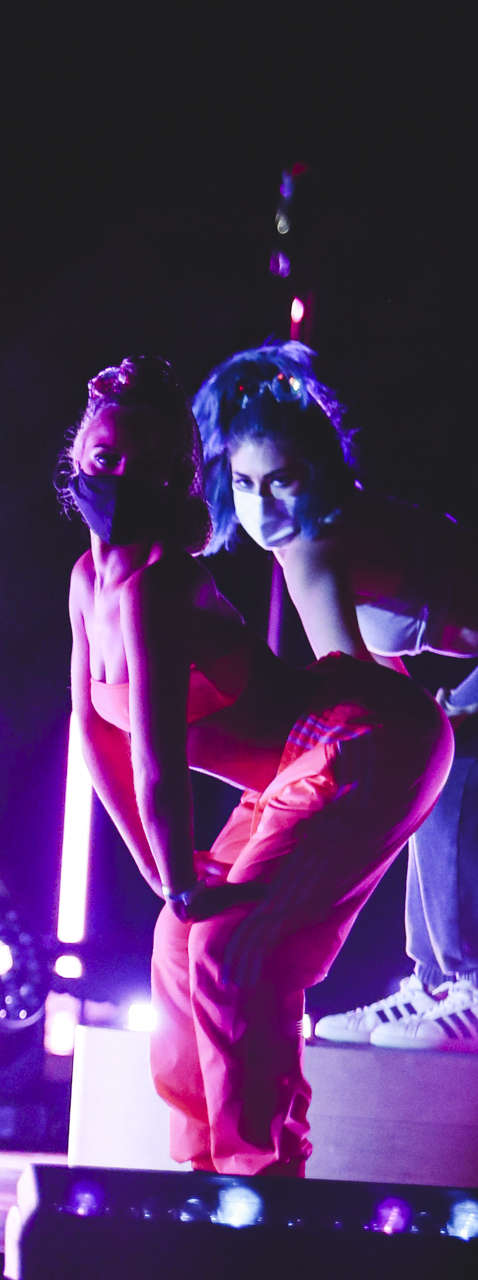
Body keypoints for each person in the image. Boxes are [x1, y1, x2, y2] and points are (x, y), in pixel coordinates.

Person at [65, 355, 450, 1175]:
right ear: (77, 458)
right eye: (105, 461)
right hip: (305, 754)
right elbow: (96, 738)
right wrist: (167, 875)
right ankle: (203, 1179)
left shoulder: (156, 585)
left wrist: (180, 872)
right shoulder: (86, 582)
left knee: (231, 948)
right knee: (180, 940)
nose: (121, 478)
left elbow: (161, 757)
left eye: (147, 467)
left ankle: (266, 1187)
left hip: (366, 732)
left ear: (178, 480)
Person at [195, 342, 478, 1052]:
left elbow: (355, 693)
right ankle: (438, 982)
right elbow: (387, 681)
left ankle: (467, 986)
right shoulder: (321, 537)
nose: (264, 505)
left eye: (282, 480)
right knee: (431, 772)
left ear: (316, 472)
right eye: (246, 482)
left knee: (443, 783)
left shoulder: (317, 545)